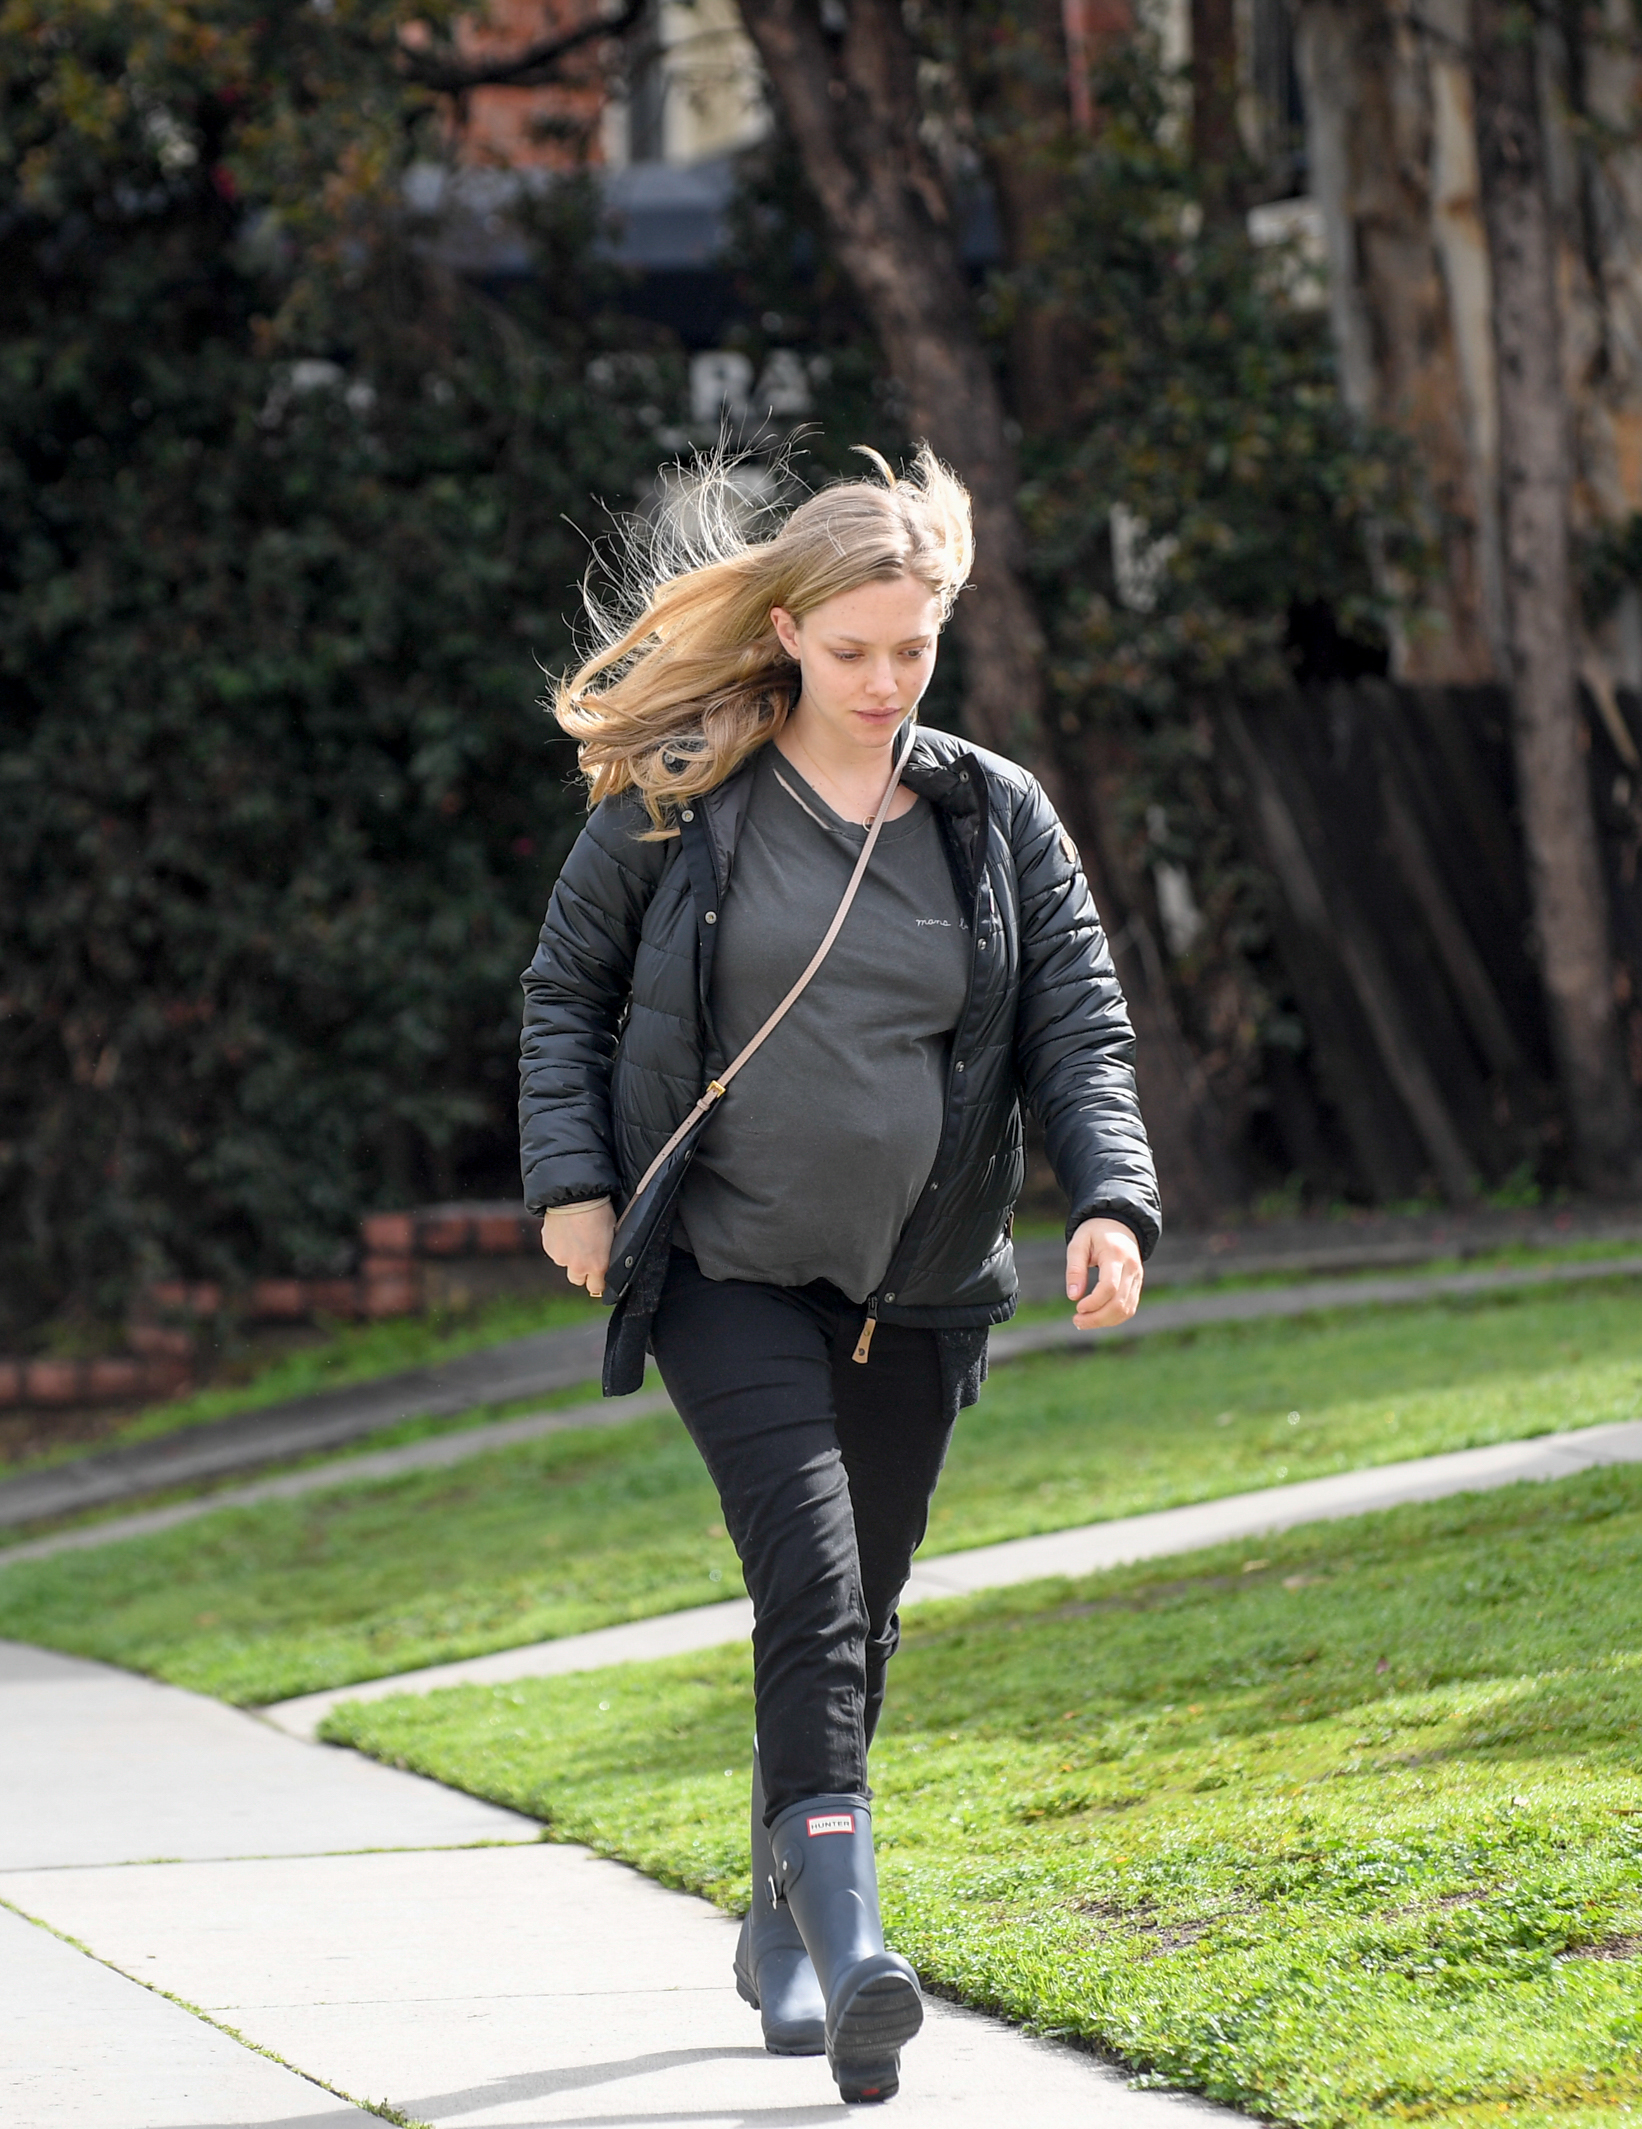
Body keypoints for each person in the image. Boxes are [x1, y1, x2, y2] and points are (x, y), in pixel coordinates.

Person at [519, 446, 1159, 2104]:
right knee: (808, 1588)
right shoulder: (680, 795)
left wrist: (1109, 1200)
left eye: (913, 649)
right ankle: (852, 1938)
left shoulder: (991, 814)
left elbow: (1077, 1029)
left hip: (921, 1282)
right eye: (854, 649)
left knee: (852, 1617)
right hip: (726, 1268)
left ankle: (778, 1924)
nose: (884, 682)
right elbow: (566, 989)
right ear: (787, 631)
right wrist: (574, 1183)